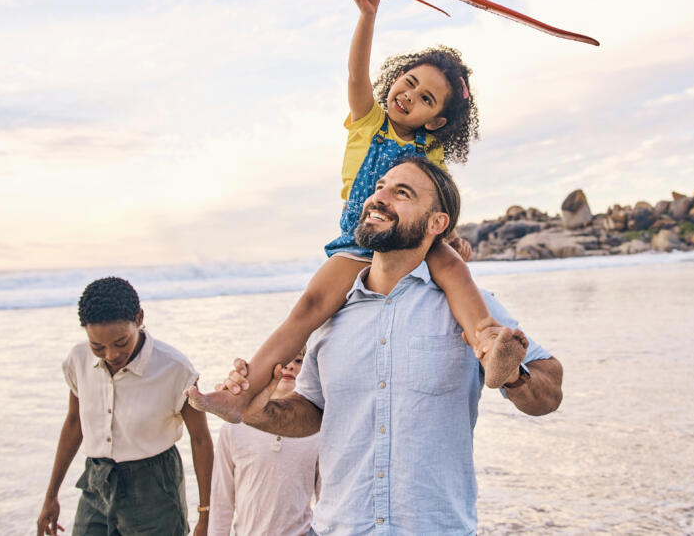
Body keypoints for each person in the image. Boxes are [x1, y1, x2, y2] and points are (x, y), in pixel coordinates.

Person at [187, 0, 522, 424]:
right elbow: (355, 74)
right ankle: (239, 394)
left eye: (425, 99)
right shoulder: (369, 120)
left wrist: (452, 237)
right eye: (408, 82)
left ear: (437, 119)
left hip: (413, 237)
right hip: (358, 236)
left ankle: (488, 346)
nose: (408, 97)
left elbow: (437, 200)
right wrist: (368, 14)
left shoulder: (431, 151)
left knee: (455, 272)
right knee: (308, 308)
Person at [221, 156, 564, 534]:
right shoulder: (331, 315)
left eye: (402, 193)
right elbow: (316, 410)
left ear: (437, 223)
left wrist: (516, 377)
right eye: (380, 187)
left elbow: (550, 390)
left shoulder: (470, 308)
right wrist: (260, 413)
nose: (379, 197)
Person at [37, 277, 214, 536]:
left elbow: (200, 440)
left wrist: (205, 515)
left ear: (139, 318)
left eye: (121, 342)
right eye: (98, 346)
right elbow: (74, 423)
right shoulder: (78, 359)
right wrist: (50, 496)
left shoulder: (175, 369)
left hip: (155, 488)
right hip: (96, 482)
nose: (111, 355)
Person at [208, 350, 319, 536]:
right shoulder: (235, 426)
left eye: (299, 361)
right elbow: (221, 499)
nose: (290, 366)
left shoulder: (317, 429)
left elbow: (328, 500)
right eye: (283, 361)